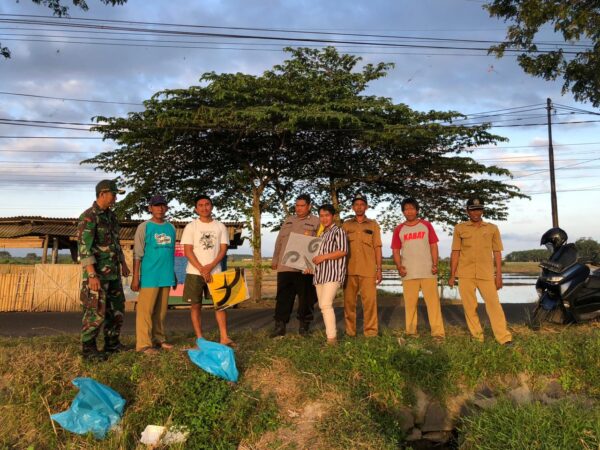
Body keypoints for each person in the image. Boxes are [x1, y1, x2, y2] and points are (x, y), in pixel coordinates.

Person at [77, 179, 130, 361]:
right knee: (95, 311)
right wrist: (92, 274)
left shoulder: (111, 217)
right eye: (114, 194)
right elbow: (85, 248)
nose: (115, 198)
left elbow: (115, 243)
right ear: (102, 194)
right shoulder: (89, 217)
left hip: (113, 273)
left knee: (116, 310)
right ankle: (89, 350)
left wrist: (123, 263)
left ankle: (112, 345)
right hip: (97, 275)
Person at [449, 198, 512, 345]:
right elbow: (455, 253)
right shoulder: (460, 228)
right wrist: (452, 275)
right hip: (465, 274)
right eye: (472, 209)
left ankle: (504, 338)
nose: (476, 213)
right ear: (467, 211)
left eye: (479, 209)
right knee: (470, 307)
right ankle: (477, 338)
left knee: (494, 305)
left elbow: (497, 253)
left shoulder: (492, 228)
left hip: (486, 274)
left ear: (482, 210)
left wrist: (499, 276)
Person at [181, 194, 234, 347]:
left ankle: (224, 337)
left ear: (211, 206)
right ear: (196, 209)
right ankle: (200, 338)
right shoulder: (191, 226)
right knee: (196, 305)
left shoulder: (220, 226)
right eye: (201, 205)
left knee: (220, 305)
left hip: (215, 272)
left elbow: (223, 249)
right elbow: (188, 251)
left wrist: (210, 267)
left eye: (207, 204)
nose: (204, 207)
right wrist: (202, 269)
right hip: (194, 272)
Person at [391, 198, 445, 339]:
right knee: (410, 305)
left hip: (427, 271)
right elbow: (396, 250)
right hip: (408, 272)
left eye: (412, 208)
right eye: (406, 209)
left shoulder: (426, 225)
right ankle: (411, 332)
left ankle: (438, 333)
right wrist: (399, 267)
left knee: (433, 304)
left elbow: (433, 245)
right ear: (403, 212)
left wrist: (435, 264)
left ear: (417, 210)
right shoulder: (399, 229)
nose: (409, 211)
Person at [270, 194, 320, 337]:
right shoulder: (288, 220)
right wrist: (275, 259)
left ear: (309, 206)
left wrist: (314, 265)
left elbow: (320, 244)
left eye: (302, 205)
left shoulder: (317, 222)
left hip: (305, 268)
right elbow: (279, 240)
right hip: (285, 266)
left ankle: (304, 327)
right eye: (297, 206)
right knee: (283, 297)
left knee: (306, 298)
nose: (298, 208)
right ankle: (280, 326)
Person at [131, 195, 176, 354]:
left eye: (163, 205)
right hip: (150, 276)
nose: (160, 208)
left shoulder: (171, 228)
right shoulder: (144, 227)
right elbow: (137, 254)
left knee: (161, 312)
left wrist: (174, 275)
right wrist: (136, 277)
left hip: (166, 276)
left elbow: (170, 254)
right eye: (156, 206)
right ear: (150, 208)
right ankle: (143, 344)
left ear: (167, 208)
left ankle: (159, 339)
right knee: (145, 312)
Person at [342, 193, 383, 337]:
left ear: (366, 206)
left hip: (368, 270)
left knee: (370, 303)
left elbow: (377, 247)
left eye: (362, 204)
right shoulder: (346, 225)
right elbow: (340, 248)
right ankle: (350, 332)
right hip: (348, 270)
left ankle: (371, 332)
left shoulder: (373, 225)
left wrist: (379, 269)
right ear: (353, 207)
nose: (359, 207)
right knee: (349, 304)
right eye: (356, 204)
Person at [311, 204, 348, 345]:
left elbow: (343, 250)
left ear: (333, 216)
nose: (324, 218)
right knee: (322, 306)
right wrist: (310, 266)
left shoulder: (338, 231)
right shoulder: (321, 234)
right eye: (321, 215)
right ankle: (330, 336)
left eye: (327, 215)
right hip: (320, 274)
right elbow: (315, 255)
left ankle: (332, 339)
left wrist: (324, 257)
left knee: (326, 304)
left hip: (333, 273)